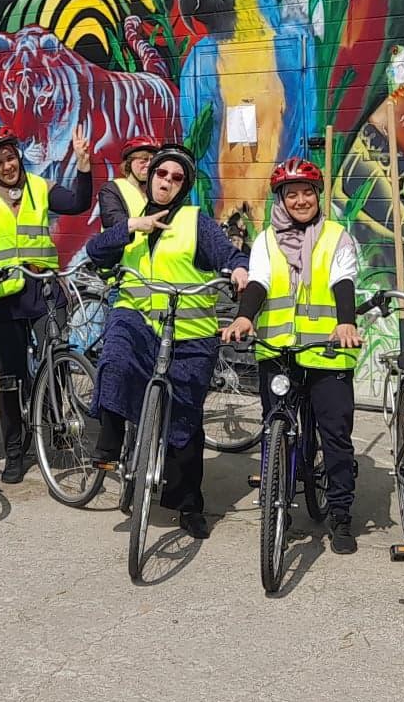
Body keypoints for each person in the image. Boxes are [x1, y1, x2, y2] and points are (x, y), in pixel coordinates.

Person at [84, 144, 248, 539]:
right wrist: (128, 229)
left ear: (184, 186)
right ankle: (109, 445)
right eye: (162, 175)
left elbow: (228, 254)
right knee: (116, 357)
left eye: (176, 178)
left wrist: (240, 269)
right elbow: (95, 251)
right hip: (140, 321)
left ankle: (189, 504)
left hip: (190, 335)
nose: (167, 182)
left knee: (185, 422)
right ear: (151, 176)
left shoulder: (195, 222)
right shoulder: (133, 220)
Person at [223, 156, 363, 554]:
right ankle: (277, 502)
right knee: (276, 430)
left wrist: (346, 323)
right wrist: (245, 318)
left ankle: (340, 514)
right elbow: (261, 281)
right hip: (279, 350)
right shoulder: (267, 239)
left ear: (318, 196)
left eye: (307, 193)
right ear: (281, 200)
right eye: (292, 194)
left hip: (327, 351)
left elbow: (343, 280)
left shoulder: (336, 236)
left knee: (335, 436)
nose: (300, 200)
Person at [0, 124, 93, 485]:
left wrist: (84, 166)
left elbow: (78, 203)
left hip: (43, 287)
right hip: (1, 295)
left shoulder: (40, 186)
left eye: (11, 157)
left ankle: (56, 422)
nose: (8, 166)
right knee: (10, 376)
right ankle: (14, 452)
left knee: (56, 356)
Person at [96, 135, 160, 230]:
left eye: (154, 160)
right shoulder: (112, 189)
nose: (149, 164)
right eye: (144, 159)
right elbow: (111, 220)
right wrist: (138, 224)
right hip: (126, 245)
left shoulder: (156, 191)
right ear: (129, 163)